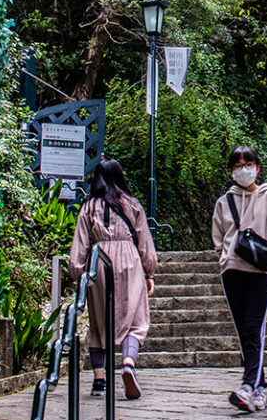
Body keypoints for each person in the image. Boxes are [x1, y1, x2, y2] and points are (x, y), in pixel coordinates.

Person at [70, 157, 157, 400]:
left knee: (99, 322)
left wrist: (78, 275)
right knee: (136, 320)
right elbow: (144, 242)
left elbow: (80, 244)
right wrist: (149, 272)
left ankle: (99, 380)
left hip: (99, 263)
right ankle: (128, 363)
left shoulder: (88, 207)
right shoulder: (132, 204)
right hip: (130, 262)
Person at [212, 146, 267, 413]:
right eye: (237, 165)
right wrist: (225, 258)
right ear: (230, 170)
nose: (243, 169)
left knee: (254, 328)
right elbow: (218, 237)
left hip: (261, 272)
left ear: (257, 166)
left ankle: (247, 386)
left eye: (248, 163)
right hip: (232, 271)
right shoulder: (224, 202)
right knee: (244, 330)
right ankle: (261, 388)